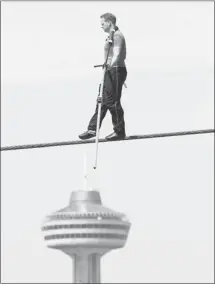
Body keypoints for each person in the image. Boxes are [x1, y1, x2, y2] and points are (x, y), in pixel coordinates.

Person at [79, 12, 127, 141]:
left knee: (113, 102)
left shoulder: (117, 35)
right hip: (110, 71)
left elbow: (117, 55)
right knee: (102, 101)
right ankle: (92, 129)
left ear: (109, 22)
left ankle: (119, 131)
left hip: (116, 70)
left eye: (102, 23)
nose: (101, 26)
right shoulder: (110, 36)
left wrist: (110, 66)